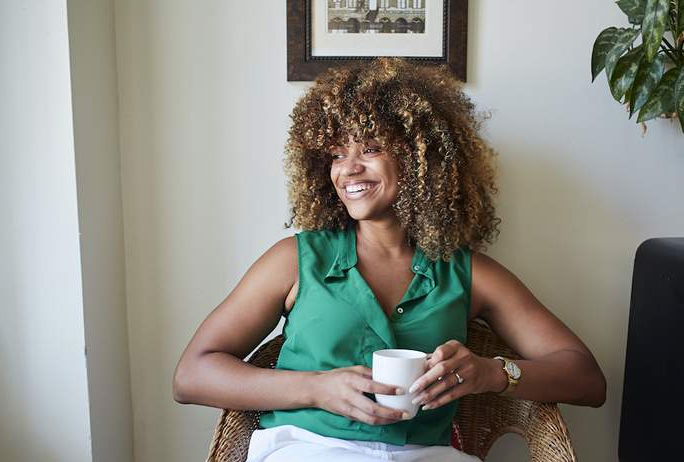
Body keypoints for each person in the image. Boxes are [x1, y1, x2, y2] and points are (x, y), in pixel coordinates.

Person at [172, 57, 607, 462]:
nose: (348, 168)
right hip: (307, 449)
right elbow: (192, 375)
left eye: (370, 148)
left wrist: (490, 373)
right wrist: (316, 389)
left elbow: (587, 379)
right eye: (337, 153)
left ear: (423, 159)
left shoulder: (470, 273)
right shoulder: (295, 260)